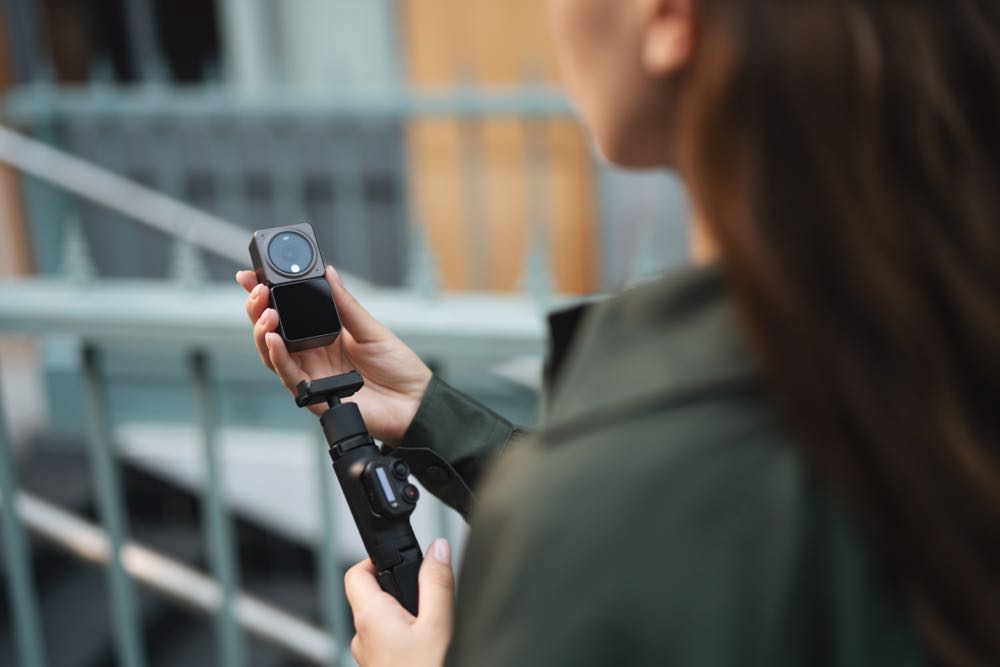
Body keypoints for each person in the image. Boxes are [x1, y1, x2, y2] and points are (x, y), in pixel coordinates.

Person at [236, 0, 1000, 665]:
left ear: (667, 15)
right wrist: (427, 412)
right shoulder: (933, 355)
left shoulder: (602, 489)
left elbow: (639, 522)